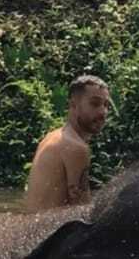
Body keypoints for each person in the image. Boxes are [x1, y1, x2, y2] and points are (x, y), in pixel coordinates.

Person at [23, 74, 111, 212]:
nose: (103, 111)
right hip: (50, 231)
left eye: (106, 105)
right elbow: (83, 211)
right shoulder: (76, 147)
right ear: (73, 105)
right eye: (95, 103)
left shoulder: (51, 137)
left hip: (32, 228)